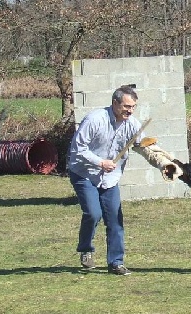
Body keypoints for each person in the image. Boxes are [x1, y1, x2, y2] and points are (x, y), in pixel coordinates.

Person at [67, 85, 179, 275]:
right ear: (115, 103)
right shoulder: (95, 120)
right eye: (126, 106)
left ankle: (115, 263)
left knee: (115, 220)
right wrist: (101, 162)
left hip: (110, 178)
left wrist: (163, 164)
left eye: (133, 106)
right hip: (84, 173)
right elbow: (78, 149)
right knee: (94, 214)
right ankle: (86, 249)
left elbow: (145, 148)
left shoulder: (132, 125)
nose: (130, 110)